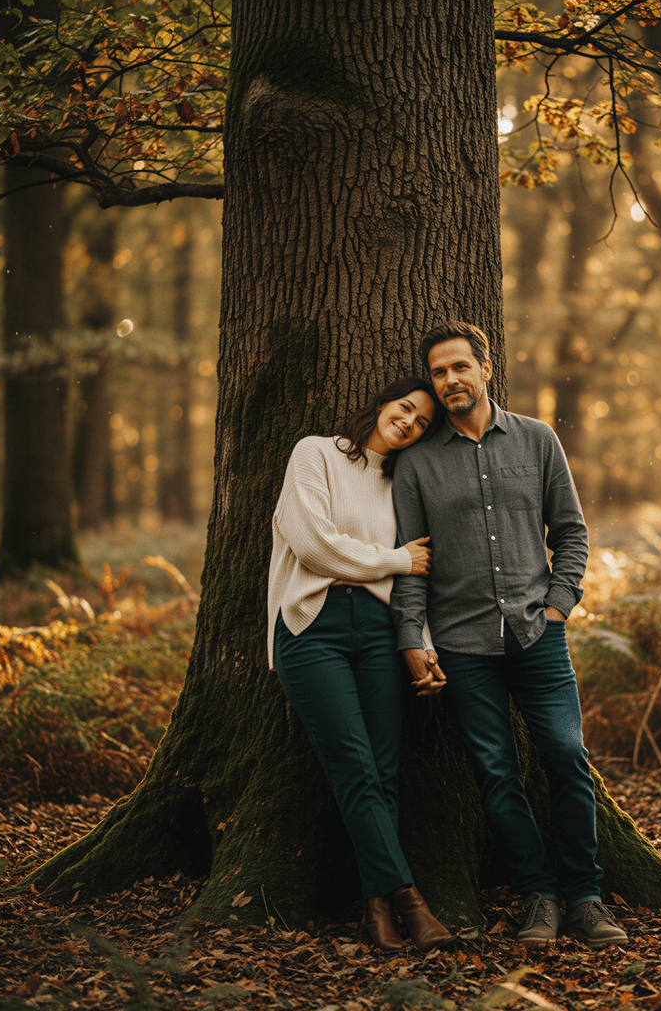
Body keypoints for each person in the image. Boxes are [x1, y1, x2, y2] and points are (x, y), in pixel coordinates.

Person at [390, 322, 629, 950]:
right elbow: (413, 561)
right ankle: (539, 896)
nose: (450, 382)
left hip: (537, 635)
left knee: (565, 758)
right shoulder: (417, 464)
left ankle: (585, 896)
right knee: (497, 774)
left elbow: (572, 532)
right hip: (464, 647)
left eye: (460, 368)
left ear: (486, 367)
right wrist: (412, 634)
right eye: (439, 373)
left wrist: (559, 602)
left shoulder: (537, 440)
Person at [267, 377, 454, 954]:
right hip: (312, 625)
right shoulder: (315, 452)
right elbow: (312, 543)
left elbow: (415, 582)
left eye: (423, 422)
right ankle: (410, 902)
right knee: (354, 766)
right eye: (406, 409)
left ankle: (376, 914)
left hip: (379, 633)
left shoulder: (405, 484)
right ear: (381, 404)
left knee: (384, 770)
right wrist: (393, 557)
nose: (410, 423)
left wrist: (420, 642)